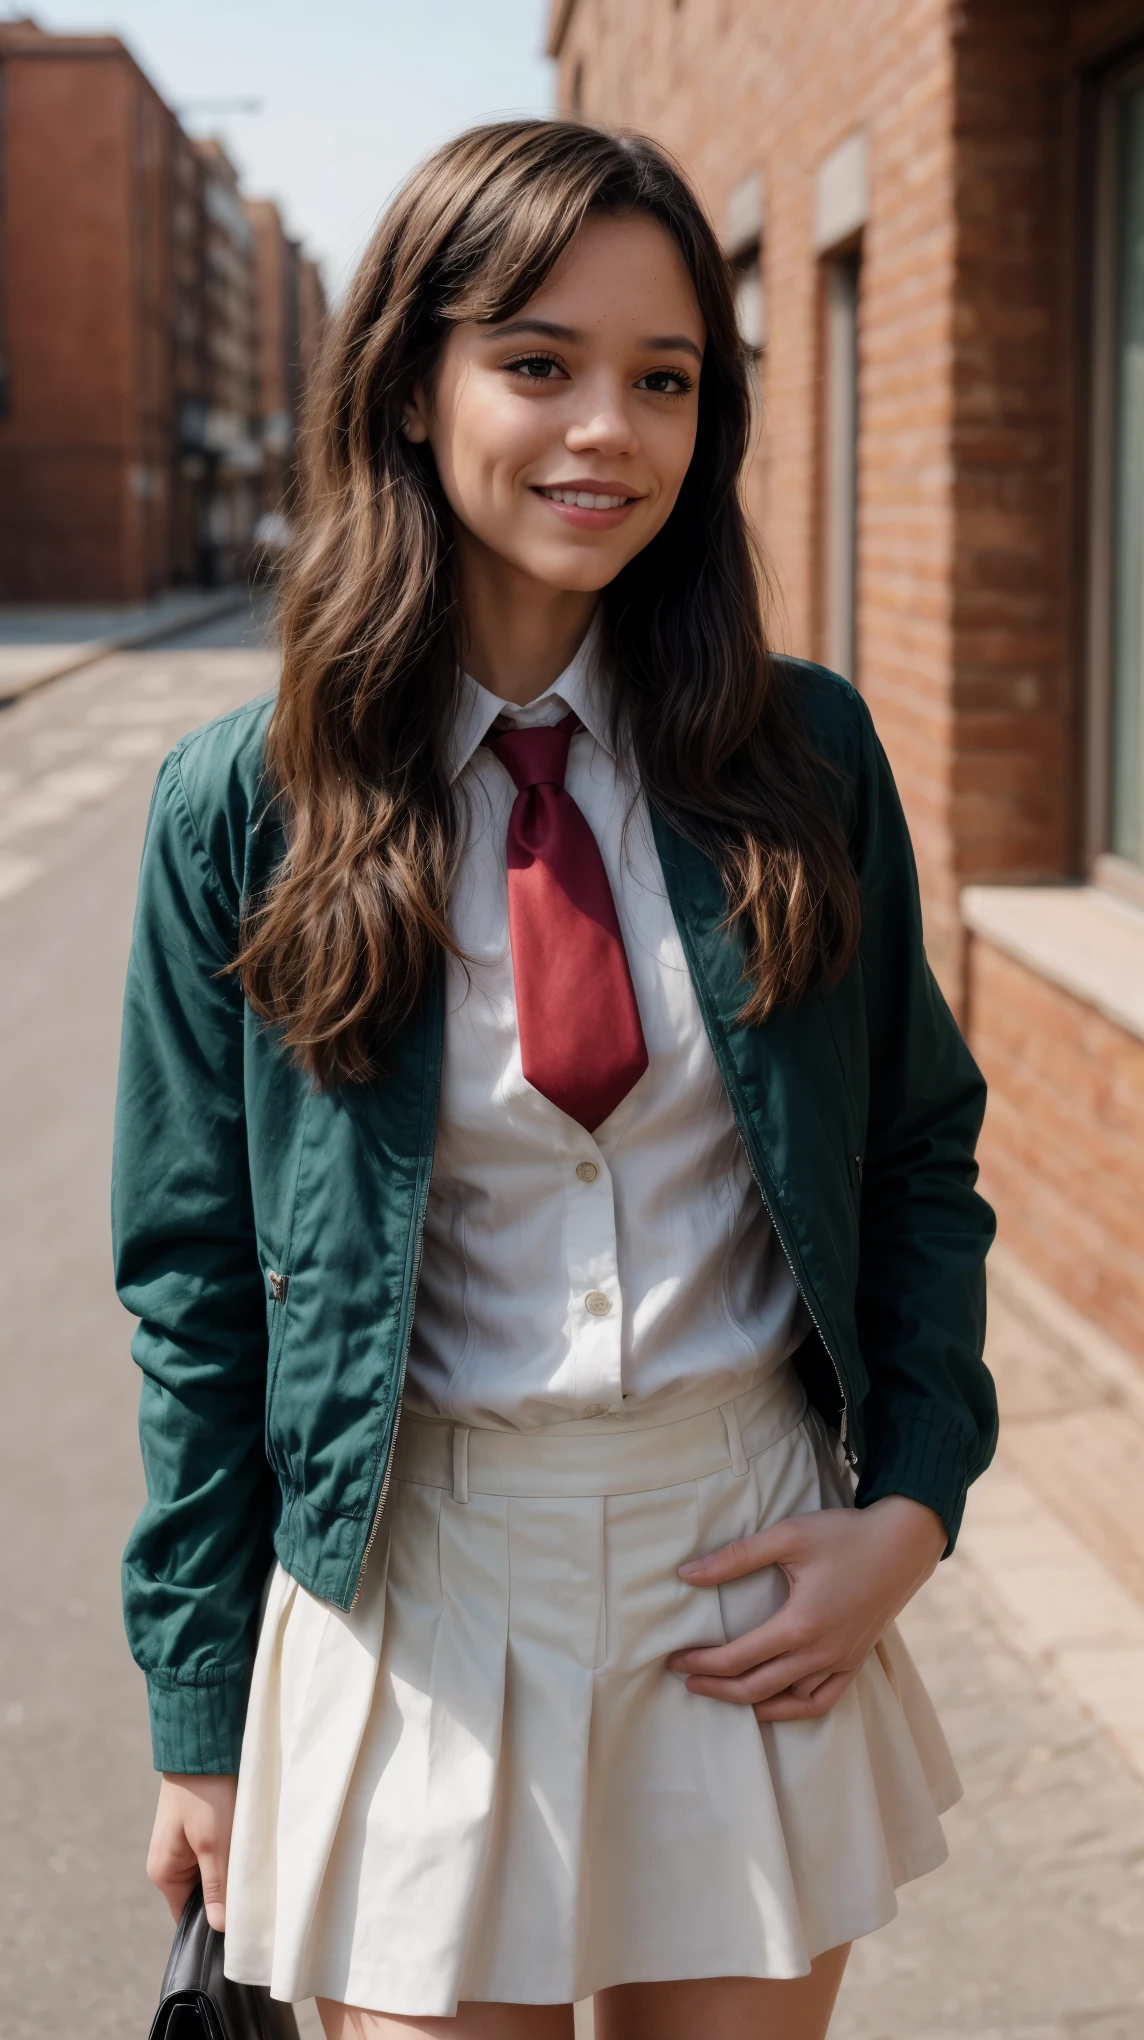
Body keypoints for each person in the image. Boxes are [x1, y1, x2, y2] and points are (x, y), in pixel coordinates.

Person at [114, 121, 997, 2040]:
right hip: (416, 1587)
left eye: (663, 379)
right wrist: (200, 1714)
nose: (610, 428)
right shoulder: (243, 808)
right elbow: (191, 1284)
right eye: (539, 363)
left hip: (746, 1564)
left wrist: (912, 1508)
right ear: (414, 389)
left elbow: (920, 1151)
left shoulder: (805, 754)